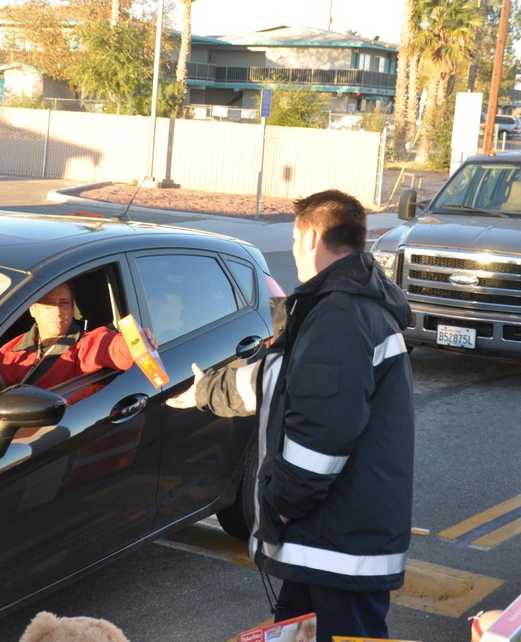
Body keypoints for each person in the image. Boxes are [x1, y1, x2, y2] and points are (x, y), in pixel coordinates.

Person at [169, 189, 414, 641]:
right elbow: (280, 380)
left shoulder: (339, 314)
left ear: (312, 237)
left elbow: (322, 433)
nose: (295, 249)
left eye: (295, 237)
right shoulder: (344, 306)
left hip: (334, 548)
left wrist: (279, 507)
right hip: (328, 543)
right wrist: (206, 390)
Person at [0, 281, 149, 393]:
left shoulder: (85, 345)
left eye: (64, 303)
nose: (57, 311)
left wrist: (136, 341)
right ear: (33, 309)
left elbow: (111, 347)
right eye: (48, 303)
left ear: (72, 308)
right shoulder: (10, 349)